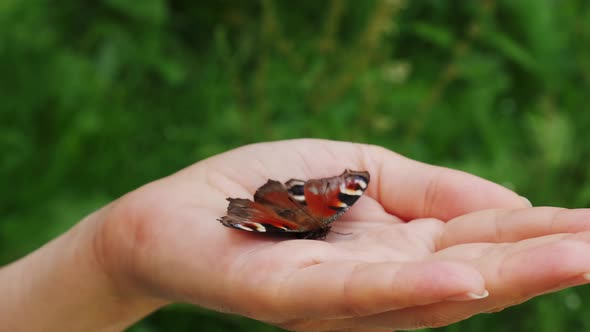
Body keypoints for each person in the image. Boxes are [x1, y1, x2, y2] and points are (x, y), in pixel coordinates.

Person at [2, 139, 590, 332]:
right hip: (277, 215)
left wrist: (114, 256)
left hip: (281, 215)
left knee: (288, 220)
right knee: (278, 220)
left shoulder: (320, 219)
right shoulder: (317, 216)